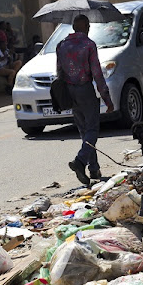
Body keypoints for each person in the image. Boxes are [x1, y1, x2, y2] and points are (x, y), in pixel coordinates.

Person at [56, 14, 114, 184]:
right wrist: (106, 98)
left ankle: (94, 169)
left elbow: (59, 72)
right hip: (85, 89)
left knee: (84, 131)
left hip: (69, 90)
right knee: (92, 130)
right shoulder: (89, 45)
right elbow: (97, 73)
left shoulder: (62, 45)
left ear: (74, 28)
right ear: (87, 27)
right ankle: (80, 162)